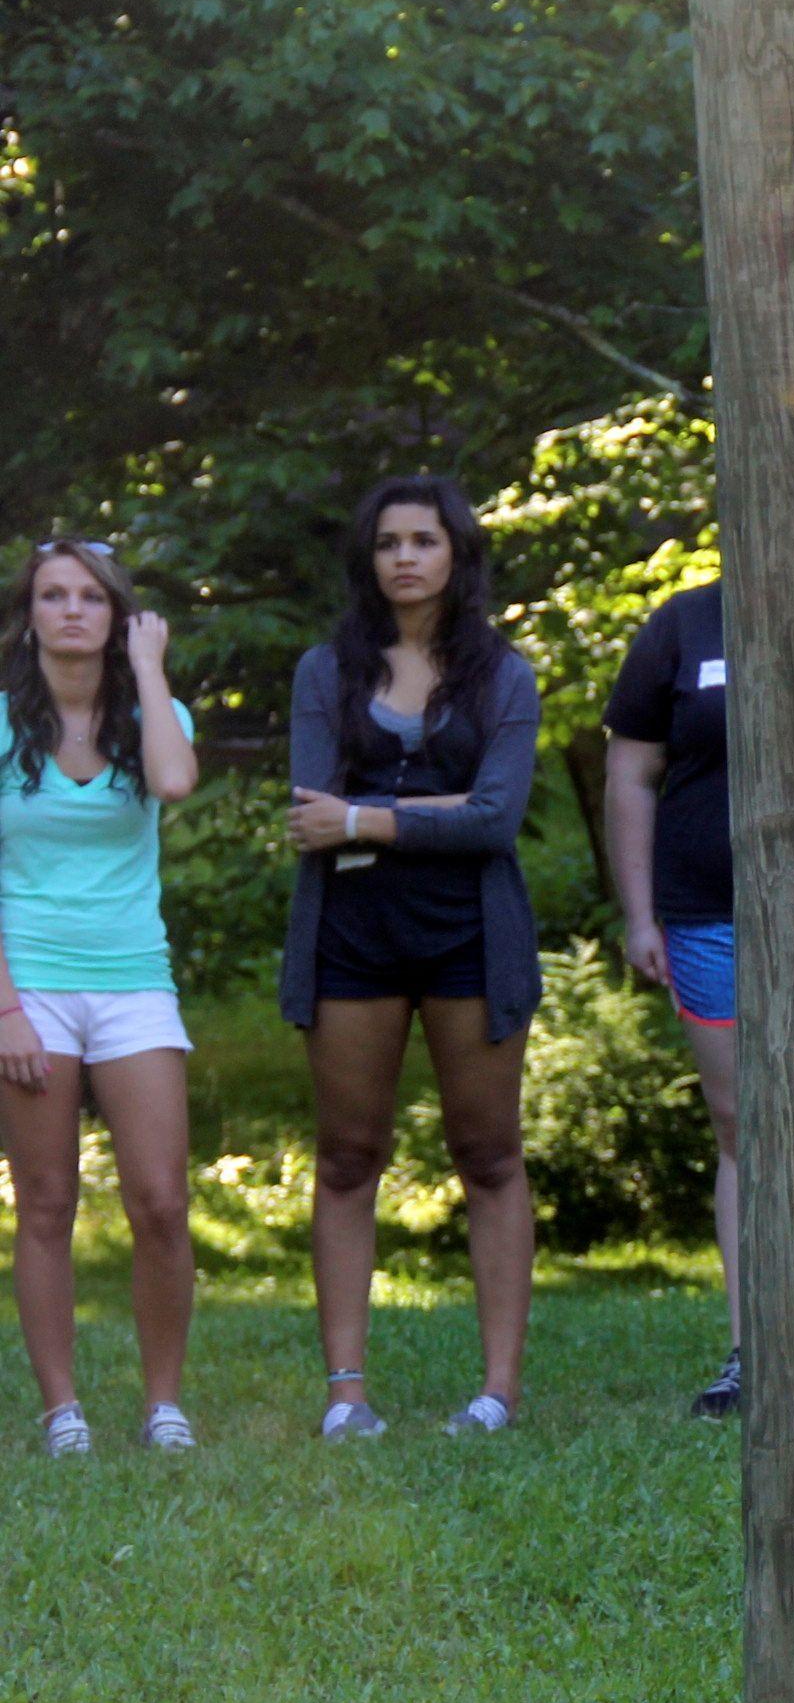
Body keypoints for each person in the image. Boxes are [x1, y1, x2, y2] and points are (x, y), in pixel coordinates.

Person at [283, 477, 543, 1439]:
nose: (404, 557)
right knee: (348, 1159)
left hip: (471, 935)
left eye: (423, 540)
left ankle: (496, 1393)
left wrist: (366, 818)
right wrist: (430, 814)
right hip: (350, 937)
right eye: (388, 541)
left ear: (455, 554)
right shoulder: (326, 671)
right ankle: (346, 1392)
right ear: (369, 557)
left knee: (488, 1153)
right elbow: (313, 814)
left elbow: (499, 820)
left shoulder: (503, 674)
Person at [2, 539, 202, 1457]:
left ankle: (164, 1405)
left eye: (91, 597)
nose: (72, 610)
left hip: (133, 985)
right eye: (54, 595)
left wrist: (149, 669)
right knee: (46, 1202)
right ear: (31, 612)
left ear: (118, 615)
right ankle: (62, 1412)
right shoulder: (2, 725)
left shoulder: (156, 716)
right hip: (28, 983)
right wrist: (4, 1007)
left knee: (160, 1201)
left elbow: (171, 780)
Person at [600, 577, 756, 1419]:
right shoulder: (683, 623)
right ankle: (749, 1350)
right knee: (740, 1128)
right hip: (706, 919)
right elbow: (631, 775)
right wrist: (639, 915)